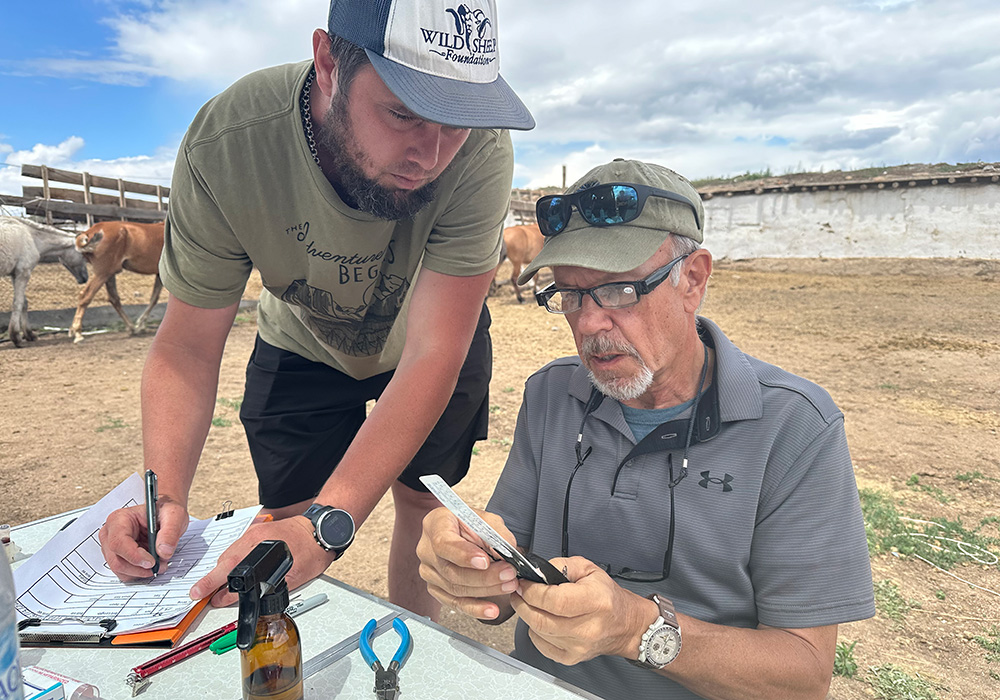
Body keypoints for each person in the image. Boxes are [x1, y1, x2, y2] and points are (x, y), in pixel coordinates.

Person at [98, 0, 534, 621]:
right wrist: (163, 489)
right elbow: (186, 346)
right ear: (329, 63)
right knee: (285, 524)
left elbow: (435, 351)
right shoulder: (229, 146)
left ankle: (410, 661)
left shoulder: (480, 151)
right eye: (403, 112)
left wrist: (332, 523)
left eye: (457, 120)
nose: (432, 155)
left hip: (430, 342)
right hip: (302, 343)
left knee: (421, 503)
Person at [416, 159, 875, 699]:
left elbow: (802, 679)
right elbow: (506, 575)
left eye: (619, 291)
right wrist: (469, 568)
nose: (588, 324)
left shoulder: (796, 425)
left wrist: (638, 631)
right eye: (569, 294)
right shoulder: (551, 394)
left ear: (694, 280)